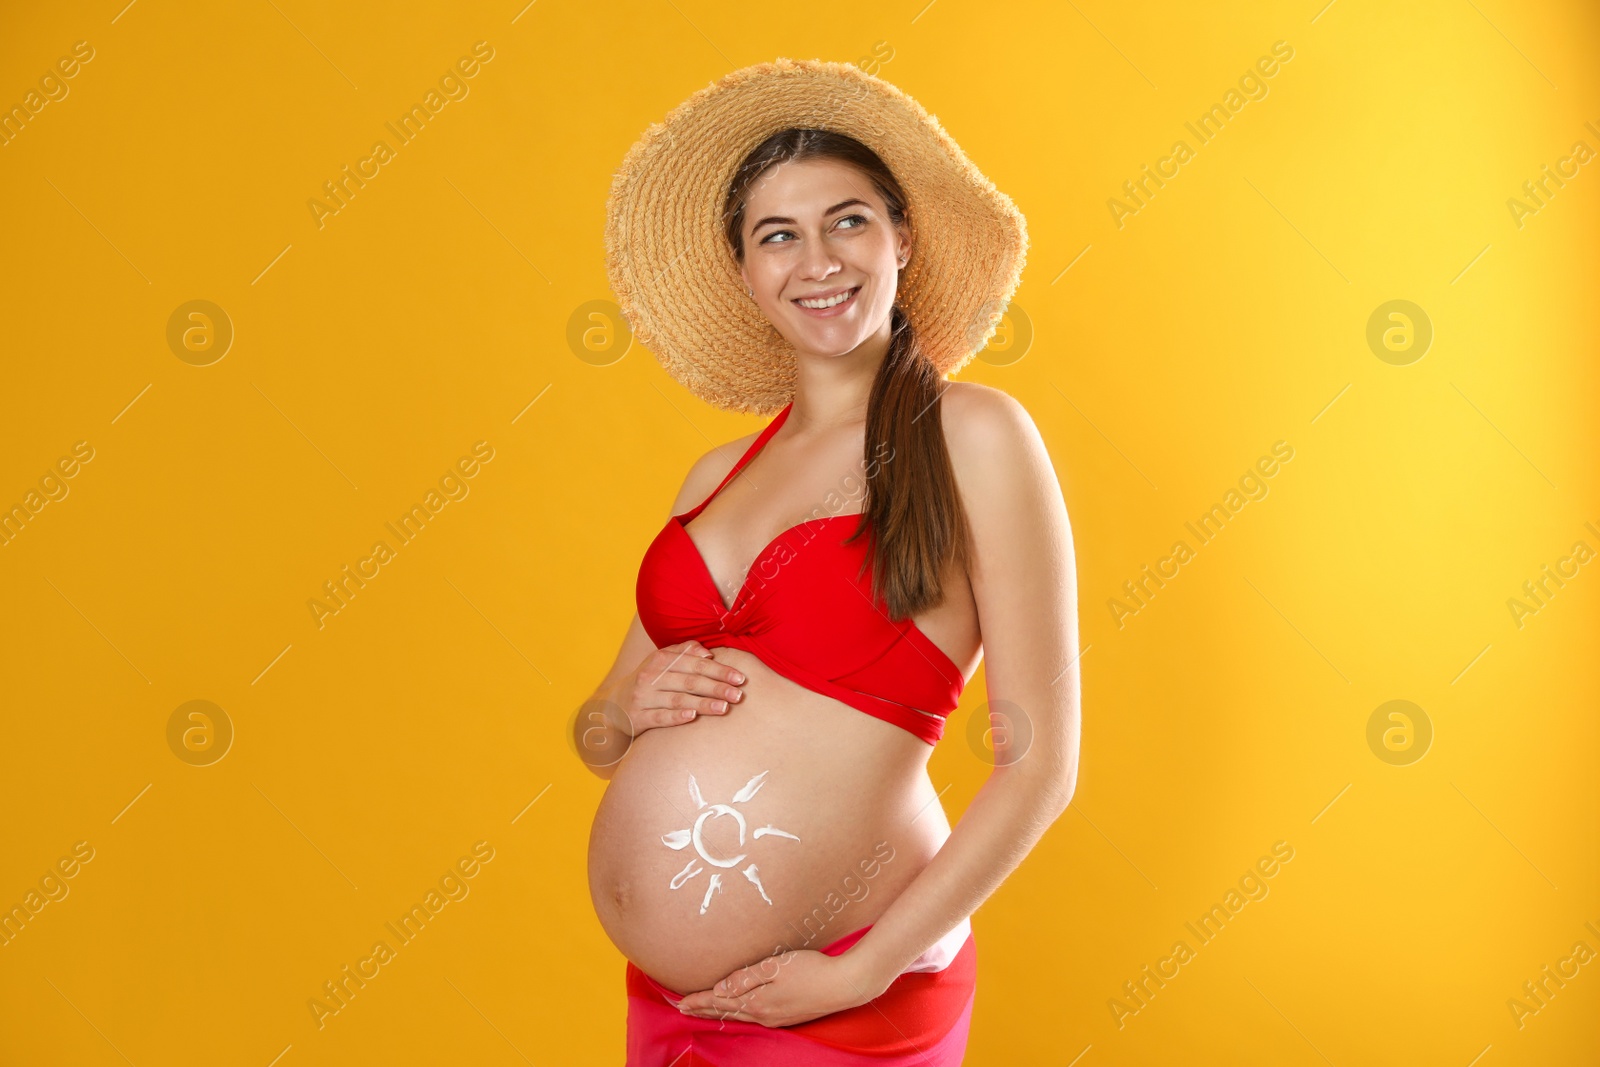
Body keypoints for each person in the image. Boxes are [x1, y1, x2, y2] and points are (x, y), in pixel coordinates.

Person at [582, 57, 1081, 1065]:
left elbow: (1041, 763)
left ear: (901, 237)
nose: (817, 259)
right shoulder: (714, 477)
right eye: (778, 234)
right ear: (744, 271)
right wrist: (630, 709)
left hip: (849, 984)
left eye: (847, 220)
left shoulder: (972, 434)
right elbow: (597, 731)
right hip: (676, 1002)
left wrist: (865, 967)